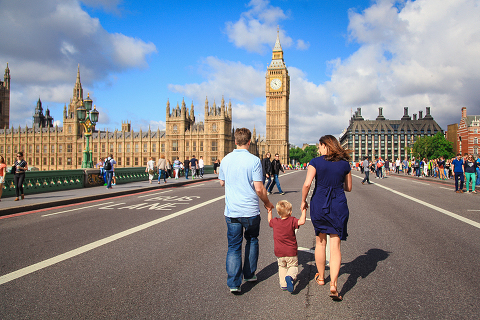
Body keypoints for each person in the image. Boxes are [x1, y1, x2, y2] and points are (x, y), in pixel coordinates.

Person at [218, 128, 274, 293]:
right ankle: (249, 274)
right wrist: (268, 203)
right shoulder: (254, 160)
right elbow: (259, 188)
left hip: (232, 211)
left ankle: (234, 283)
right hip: (250, 211)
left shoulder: (226, 159)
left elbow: (221, 182)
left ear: (235, 141)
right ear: (249, 142)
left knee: (234, 247)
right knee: (252, 240)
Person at [301, 135, 352, 301]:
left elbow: (307, 184)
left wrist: (303, 201)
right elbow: (349, 187)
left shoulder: (315, 162)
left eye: (320, 146)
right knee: (335, 246)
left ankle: (321, 277)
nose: (318, 149)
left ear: (324, 146)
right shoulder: (345, 164)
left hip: (320, 203)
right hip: (338, 204)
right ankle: (334, 285)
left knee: (320, 243)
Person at [268, 200, 306, 292]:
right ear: (290, 212)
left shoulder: (275, 222)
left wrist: (269, 211)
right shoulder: (292, 220)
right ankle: (290, 277)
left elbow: (269, 221)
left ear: (278, 212)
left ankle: (283, 284)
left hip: (279, 252)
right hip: (291, 251)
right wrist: (304, 210)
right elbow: (302, 221)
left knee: (282, 267)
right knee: (293, 266)